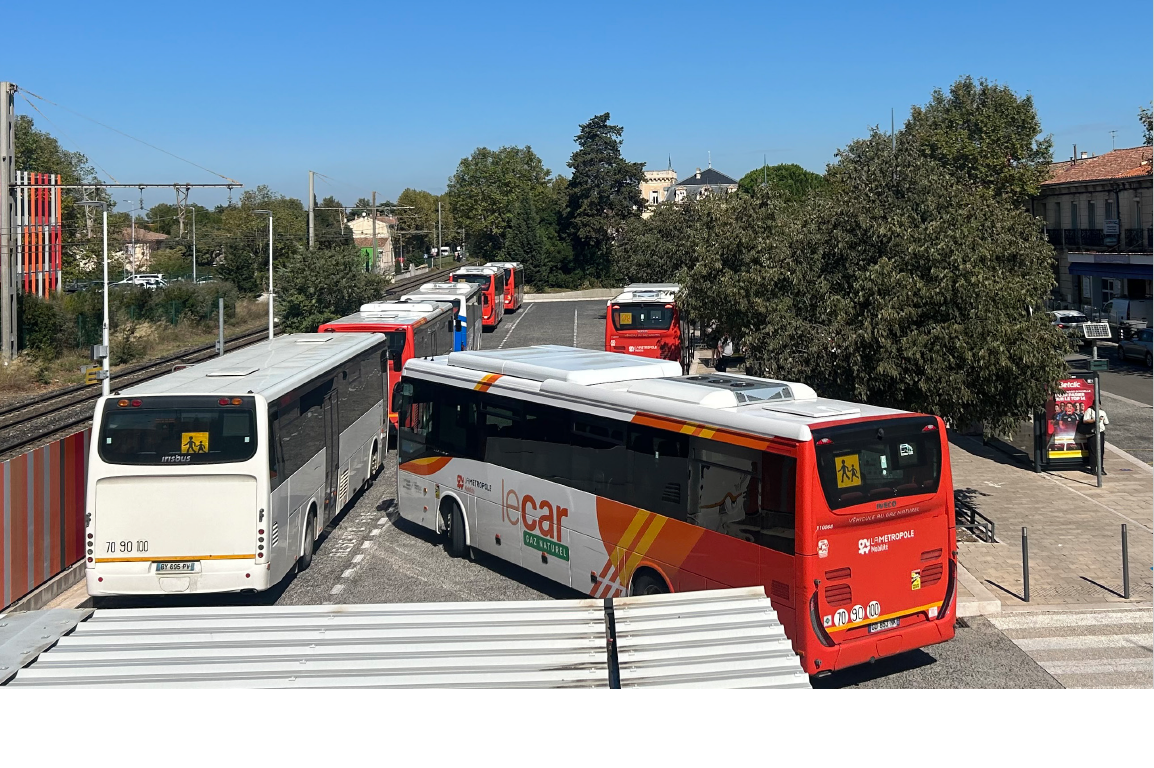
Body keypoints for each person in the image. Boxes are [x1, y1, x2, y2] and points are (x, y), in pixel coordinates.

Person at [1081, 405, 1110, 475]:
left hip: (1100, 432)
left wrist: (1102, 421)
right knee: (1093, 451)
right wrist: (1094, 420)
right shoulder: (1089, 411)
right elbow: (1085, 420)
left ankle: (1101, 468)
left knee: (1101, 451)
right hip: (1092, 434)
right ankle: (1093, 468)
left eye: (1099, 405)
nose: (1098, 407)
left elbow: (1106, 422)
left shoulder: (1102, 412)